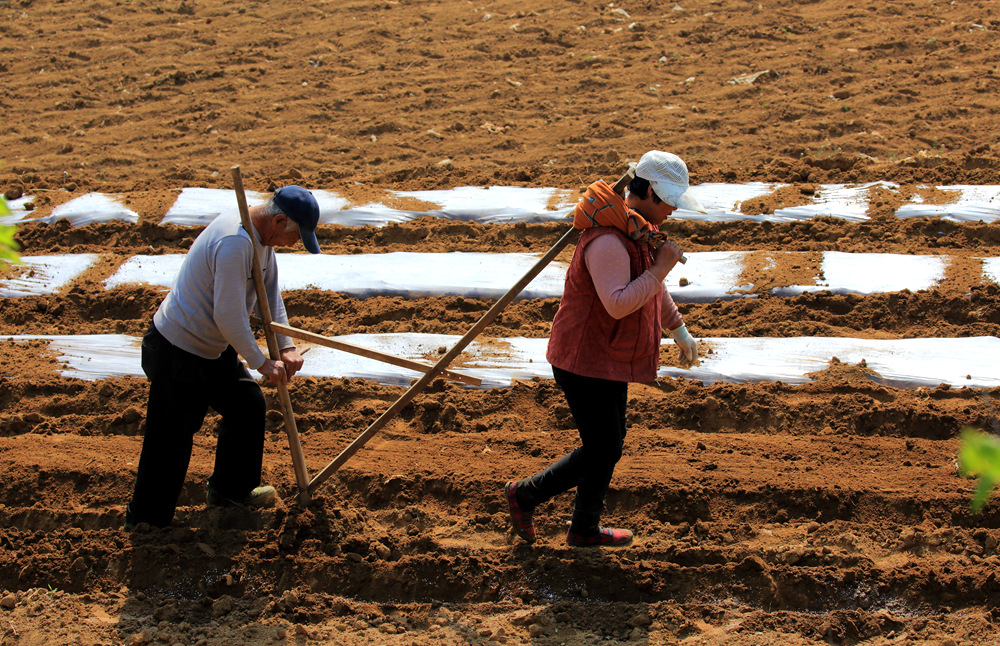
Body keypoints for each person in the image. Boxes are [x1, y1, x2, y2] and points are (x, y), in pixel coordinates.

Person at [505, 151, 701, 547]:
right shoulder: (608, 240)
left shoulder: (635, 229)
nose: (673, 209)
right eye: (667, 200)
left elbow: (653, 289)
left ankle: (584, 529)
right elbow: (618, 302)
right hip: (584, 359)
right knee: (603, 447)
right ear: (644, 190)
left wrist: (678, 329)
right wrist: (660, 267)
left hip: (611, 355)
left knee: (608, 445)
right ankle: (525, 495)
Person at [125, 185, 322, 529]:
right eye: (295, 237)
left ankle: (232, 491)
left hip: (210, 348)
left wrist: (287, 345)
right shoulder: (235, 242)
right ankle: (146, 524)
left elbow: (269, 295)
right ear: (278, 221)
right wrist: (262, 362)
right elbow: (228, 317)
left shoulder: (262, 238)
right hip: (178, 349)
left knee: (247, 405)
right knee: (171, 439)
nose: (293, 245)